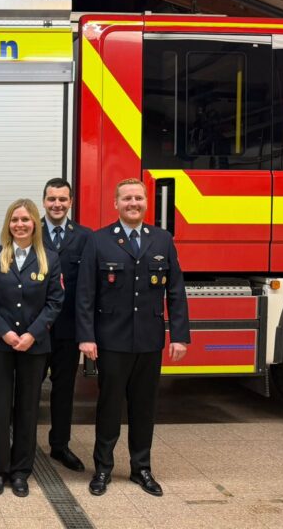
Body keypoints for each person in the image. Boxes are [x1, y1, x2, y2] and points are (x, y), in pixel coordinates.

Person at [77, 178, 190, 497]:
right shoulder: (98, 241)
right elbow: (85, 293)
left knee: (144, 408)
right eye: (126, 198)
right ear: (116, 203)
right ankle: (102, 468)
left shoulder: (162, 239)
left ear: (146, 203)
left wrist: (179, 335)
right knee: (109, 407)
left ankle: (142, 468)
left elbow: (176, 291)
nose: (133, 203)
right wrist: (86, 337)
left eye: (138, 198)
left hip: (149, 340)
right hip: (111, 340)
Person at [0, 199, 64, 498]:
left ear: (35, 223)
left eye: (26, 219)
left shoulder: (49, 258)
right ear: (8, 224)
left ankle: (21, 471)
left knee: (27, 409)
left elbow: (55, 302)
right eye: (15, 220)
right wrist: (6, 334)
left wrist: (31, 335)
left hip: (34, 347)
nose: (20, 224)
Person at [40, 178, 93, 472]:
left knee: (64, 390)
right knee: (26, 389)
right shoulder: (28, 230)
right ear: (44, 201)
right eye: (51, 199)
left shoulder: (85, 237)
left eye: (62, 199)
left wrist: (87, 332)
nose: (57, 204)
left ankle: (60, 445)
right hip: (35, 330)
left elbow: (88, 289)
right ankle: (20, 442)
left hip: (68, 330)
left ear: (71, 202)